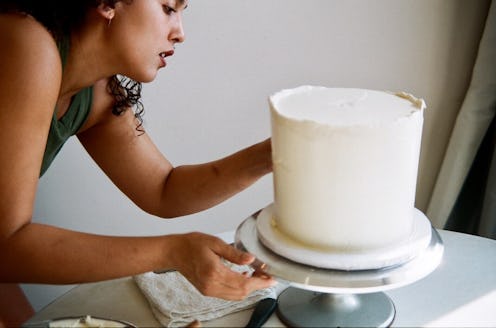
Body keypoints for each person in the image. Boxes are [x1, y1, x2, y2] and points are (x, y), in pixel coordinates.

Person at [0, 0, 276, 312]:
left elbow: (164, 189)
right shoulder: (27, 44)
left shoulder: (96, 96)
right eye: (169, 8)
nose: (180, 34)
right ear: (107, 3)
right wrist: (173, 252)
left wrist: (275, 154)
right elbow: (8, 242)